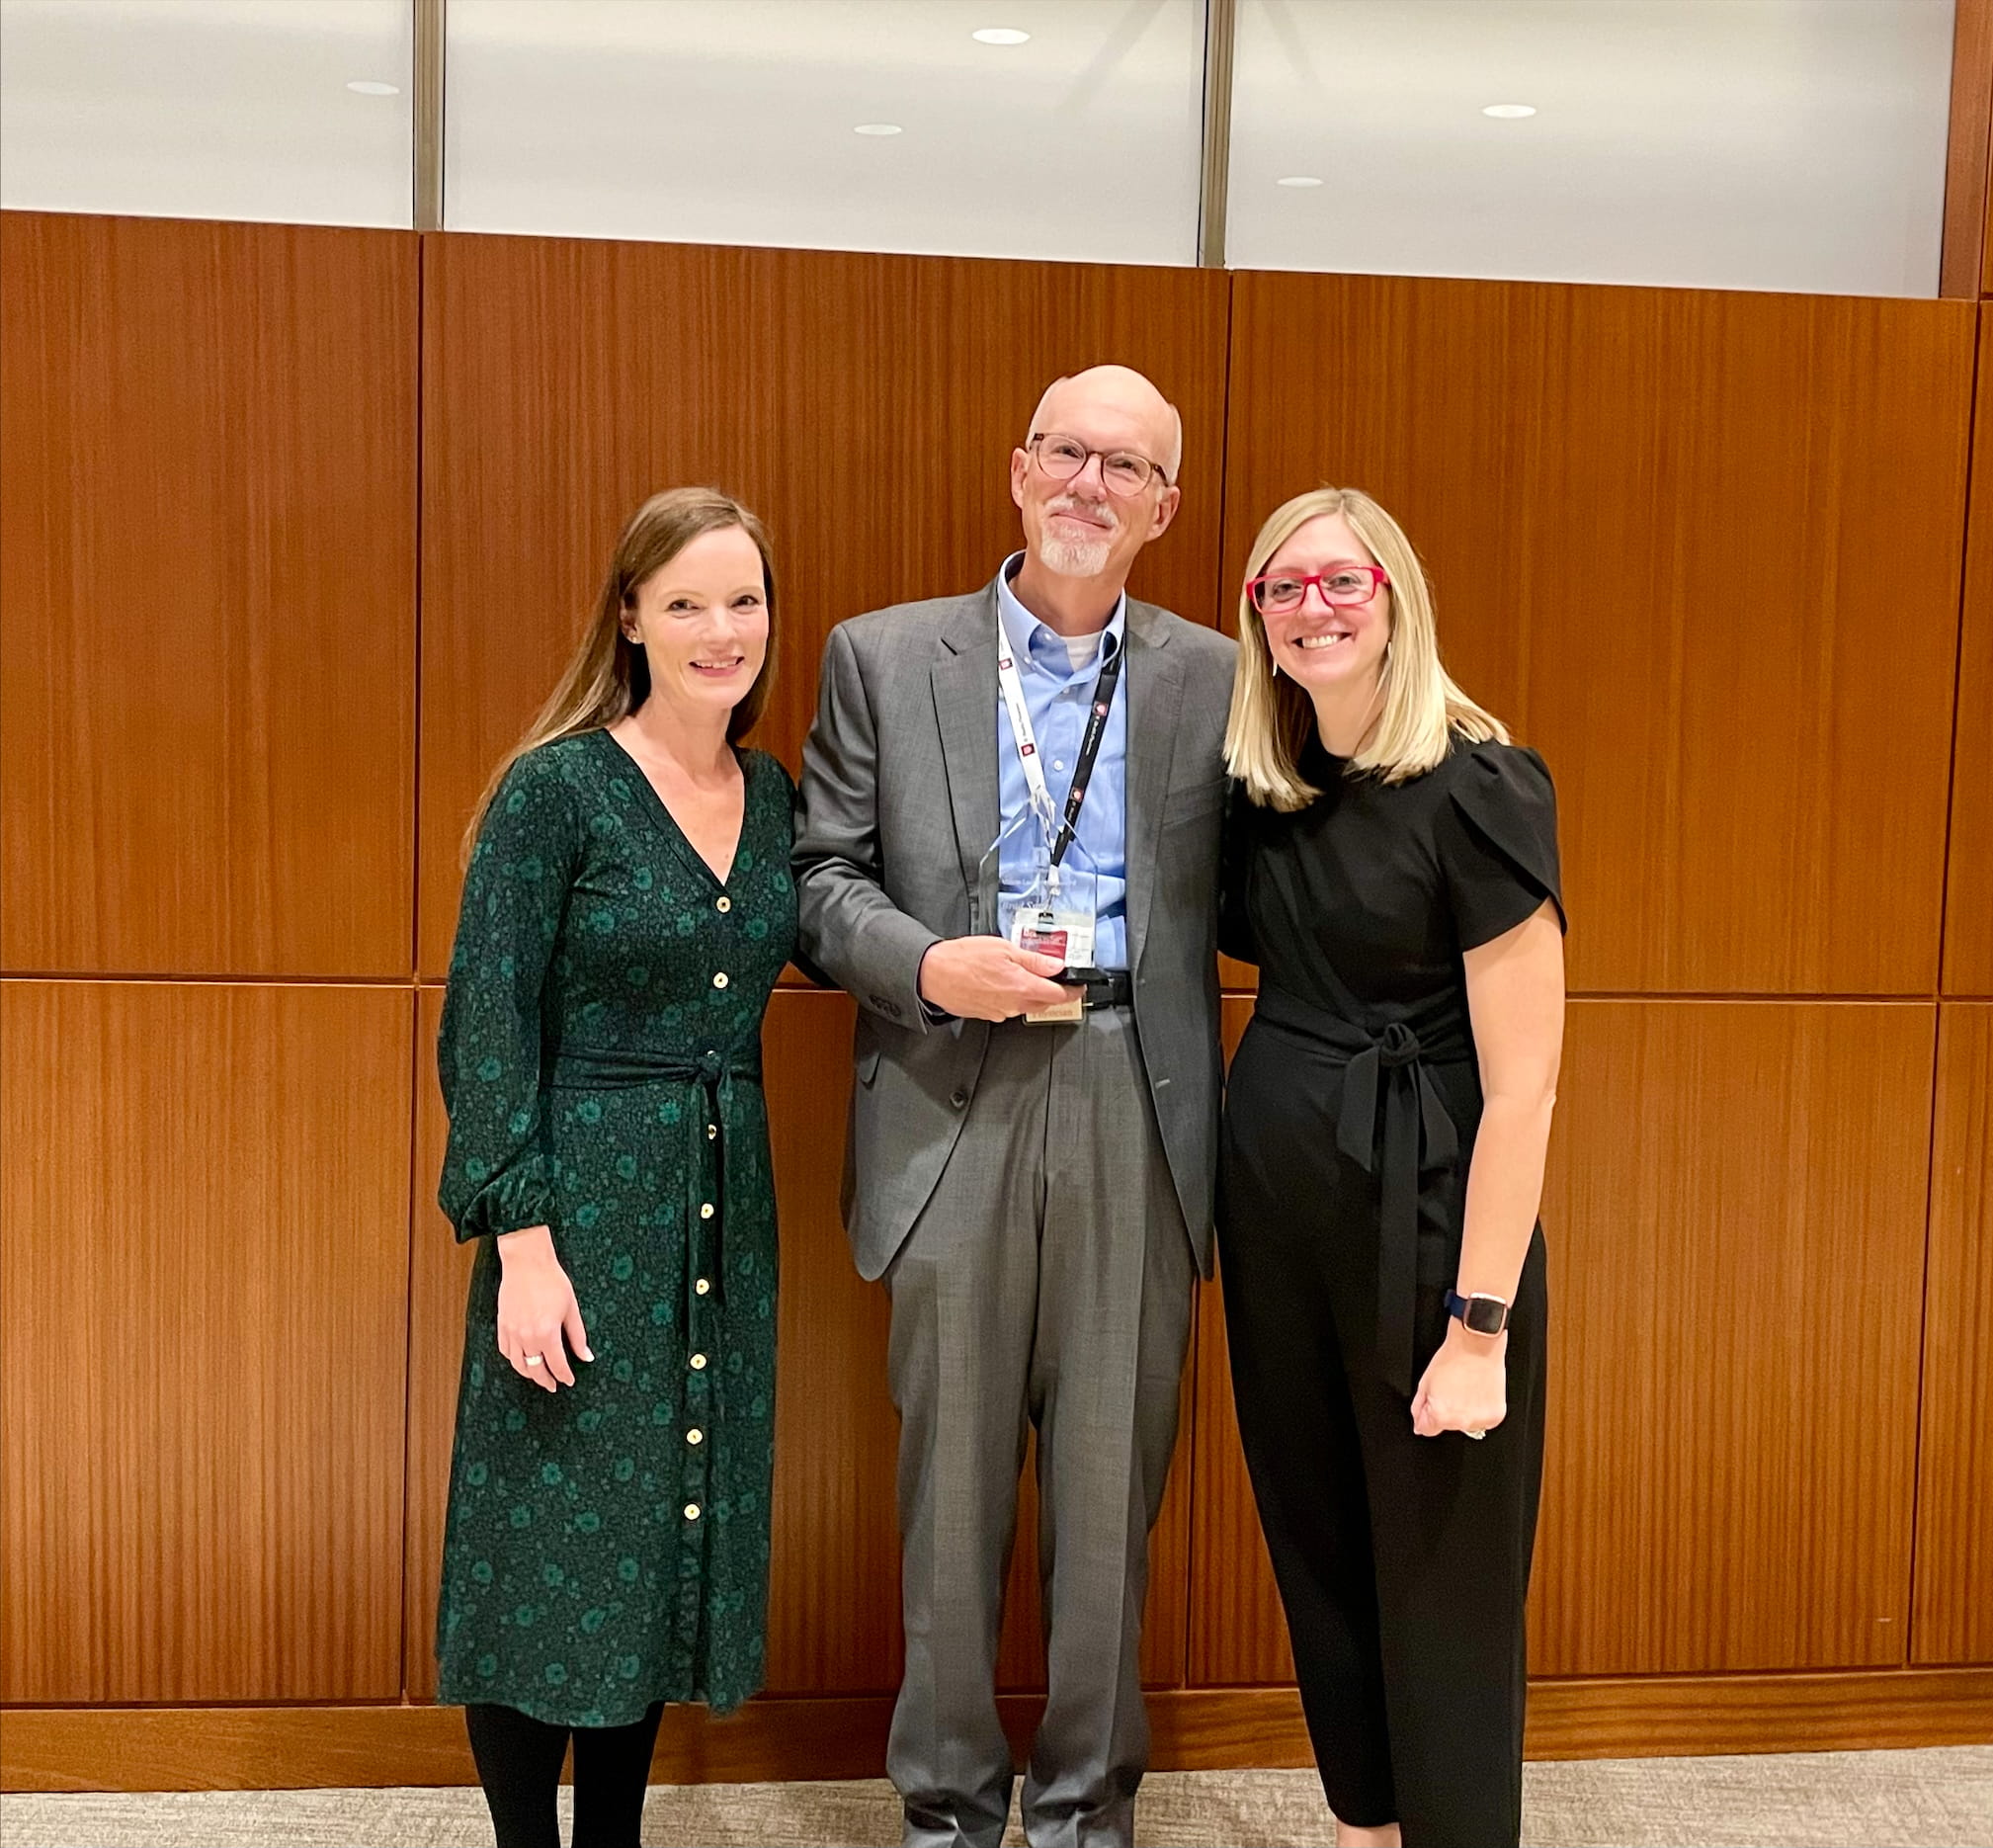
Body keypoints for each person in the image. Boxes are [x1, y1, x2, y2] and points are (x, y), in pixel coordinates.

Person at [794, 366, 1235, 1848]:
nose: (1087, 484)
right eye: (1065, 452)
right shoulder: (881, 653)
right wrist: (923, 960)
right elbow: (817, 880)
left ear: (1163, 508)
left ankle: (1087, 1808)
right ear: (1015, 468)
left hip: (1134, 1092)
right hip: (945, 1091)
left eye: (1126, 466)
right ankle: (944, 1806)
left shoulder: (1218, 676)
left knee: (1111, 1488)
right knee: (950, 1492)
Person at [433, 488, 796, 1848]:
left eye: (744, 600)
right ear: (631, 616)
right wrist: (520, 1241)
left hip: (718, 1215)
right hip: (579, 1209)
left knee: (656, 1533)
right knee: (546, 1543)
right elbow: (483, 1024)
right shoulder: (559, 787)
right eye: (688, 601)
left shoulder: (773, 795)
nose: (721, 628)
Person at [1217, 487, 1567, 1848]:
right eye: (1281, 588)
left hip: (1429, 1236)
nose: (1312, 607)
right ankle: (1366, 1828)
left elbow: (1523, 1084)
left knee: (1444, 1584)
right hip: (1279, 1227)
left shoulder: (1480, 783)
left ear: (1393, 595)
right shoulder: (1269, 792)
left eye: (1338, 581)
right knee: (1322, 1558)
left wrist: (1478, 1325)